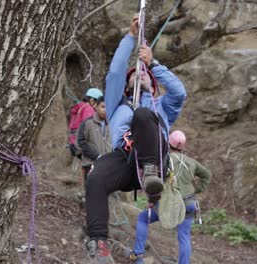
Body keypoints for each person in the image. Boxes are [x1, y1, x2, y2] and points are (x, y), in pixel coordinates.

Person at [85, 14, 187, 263]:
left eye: (145, 75)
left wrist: (153, 65)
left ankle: (152, 176)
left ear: (153, 85)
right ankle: (98, 243)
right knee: (96, 175)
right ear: (128, 86)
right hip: (127, 158)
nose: (139, 74)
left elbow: (179, 91)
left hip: (155, 158)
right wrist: (131, 36)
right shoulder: (117, 106)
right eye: (135, 74)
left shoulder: (161, 105)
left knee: (143, 115)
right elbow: (115, 73)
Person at [125, 130, 211, 264]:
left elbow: (156, 183)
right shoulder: (191, 162)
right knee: (184, 237)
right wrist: (196, 189)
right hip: (189, 203)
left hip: (169, 203)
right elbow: (207, 175)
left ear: (168, 143)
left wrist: (152, 201)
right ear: (183, 146)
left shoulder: (164, 160)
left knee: (143, 218)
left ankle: (138, 256)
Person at [77, 96, 111, 185]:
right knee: (91, 191)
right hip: (90, 164)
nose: (105, 110)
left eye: (107, 107)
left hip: (107, 165)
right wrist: (96, 156)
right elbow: (80, 142)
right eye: (103, 107)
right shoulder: (87, 123)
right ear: (96, 107)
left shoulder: (110, 124)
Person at [67, 88, 104, 159]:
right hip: (82, 145)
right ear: (92, 100)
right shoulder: (88, 109)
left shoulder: (80, 106)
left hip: (73, 143)